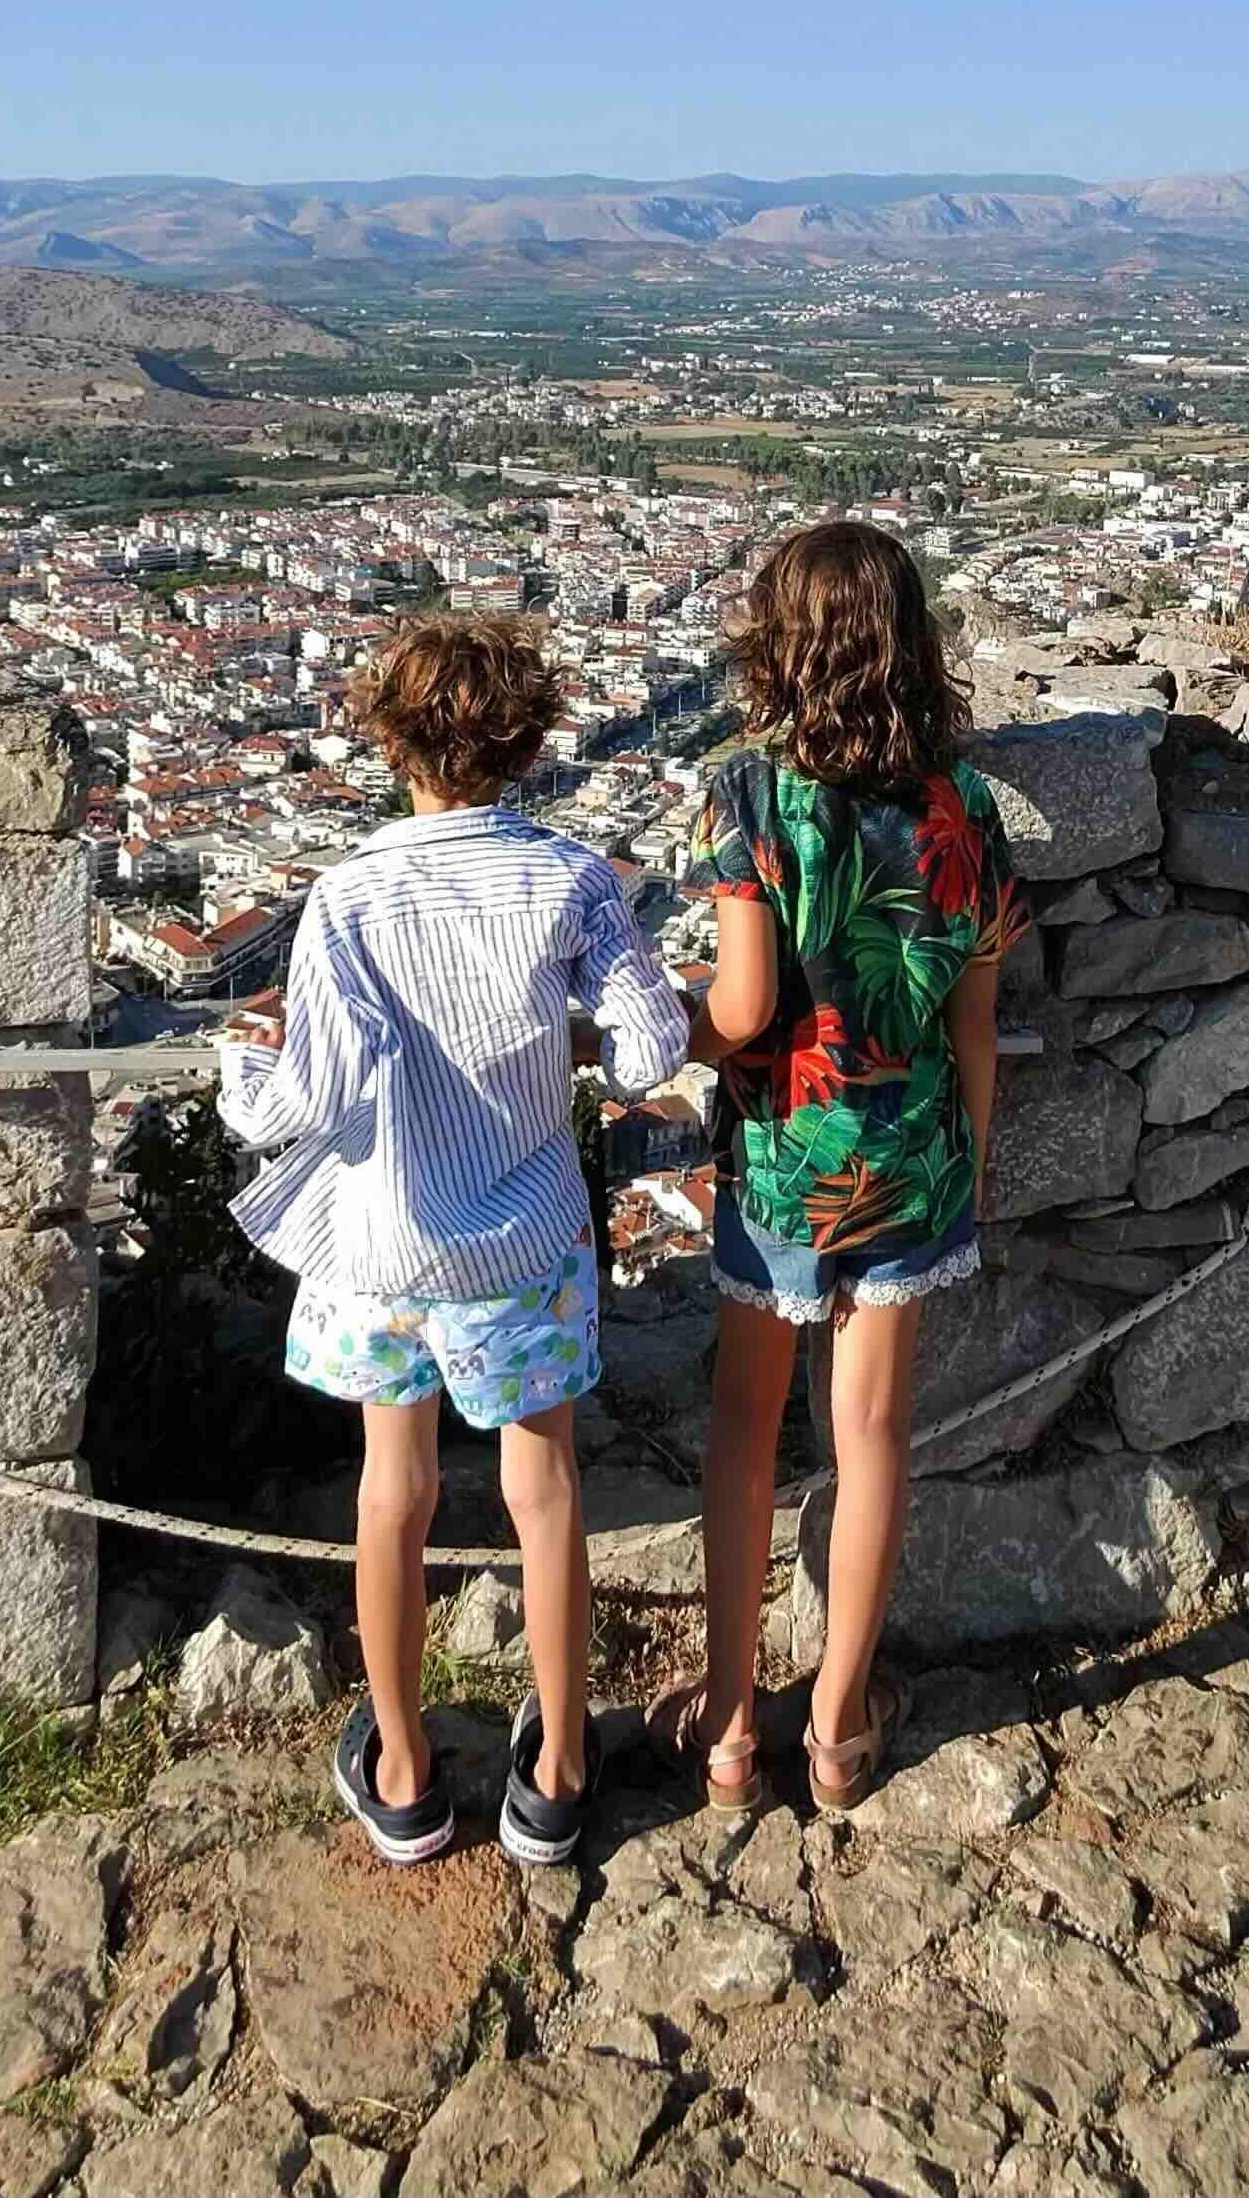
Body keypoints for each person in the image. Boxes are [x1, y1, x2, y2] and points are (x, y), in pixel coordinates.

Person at [216, 613, 688, 1868]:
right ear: (528, 744)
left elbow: (303, 1093)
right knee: (545, 1494)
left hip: (384, 1242)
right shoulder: (571, 876)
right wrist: (565, 1043)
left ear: (390, 740)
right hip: (522, 1238)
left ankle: (410, 1772)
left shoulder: (350, 895)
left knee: (395, 1493)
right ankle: (559, 1773)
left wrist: (232, 1078)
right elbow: (649, 1048)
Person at [653, 520, 1023, 1815]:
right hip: (913, 1155)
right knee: (869, 1439)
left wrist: (657, 1027)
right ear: (910, 644)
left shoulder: (749, 793)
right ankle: (842, 1720)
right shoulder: (962, 806)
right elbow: (976, 1021)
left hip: (780, 1164)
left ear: (780, 647)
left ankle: (726, 1719)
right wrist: (963, 1169)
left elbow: (747, 1008)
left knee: (748, 1427)